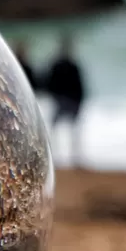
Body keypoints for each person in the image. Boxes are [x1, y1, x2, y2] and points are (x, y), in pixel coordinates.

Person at [43, 34, 86, 168]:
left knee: (57, 129)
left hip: (62, 100)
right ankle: (70, 157)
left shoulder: (57, 64)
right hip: (69, 101)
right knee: (71, 130)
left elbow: (49, 83)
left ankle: (56, 157)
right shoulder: (72, 65)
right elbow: (80, 87)